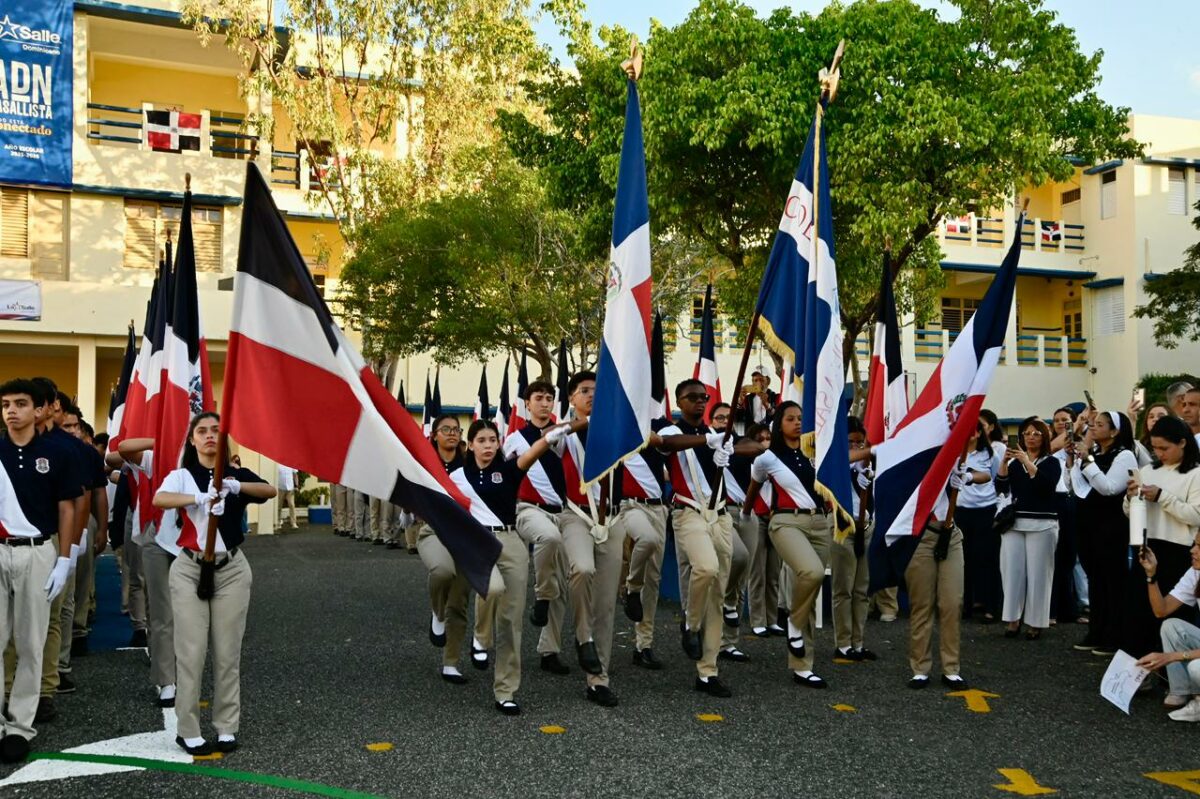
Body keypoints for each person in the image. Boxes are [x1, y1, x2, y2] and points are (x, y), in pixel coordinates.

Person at [153, 412, 275, 756]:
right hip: (190, 567)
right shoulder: (182, 476)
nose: (209, 436)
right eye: (202, 431)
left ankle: (226, 726)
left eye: (216, 431)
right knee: (191, 652)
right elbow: (159, 499)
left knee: (227, 653)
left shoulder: (234, 474)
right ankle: (187, 729)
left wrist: (236, 486)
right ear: (192, 440)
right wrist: (197, 499)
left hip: (232, 568)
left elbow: (270, 489)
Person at [453, 418, 569, 715]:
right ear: (471, 445)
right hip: (479, 542)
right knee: (491, 589)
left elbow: (536, 450)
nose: (488, 446)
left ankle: (506, 690)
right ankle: (481, 637)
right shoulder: (458, 476)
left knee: (511, 620)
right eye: (482, 441)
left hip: (511, 541)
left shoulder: (508, 470)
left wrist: (560, 432)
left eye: (493, 440)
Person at [658, 378, 757, 697]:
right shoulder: (675, 431)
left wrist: (730, 446)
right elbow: (666, 445)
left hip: (720, 515)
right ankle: (690, 622)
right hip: (689, 513)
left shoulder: (718, 435)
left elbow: (753, 446)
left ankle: (707, 671)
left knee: (717, 592)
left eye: (704, 397)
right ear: (679, 401)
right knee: (706, 568)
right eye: (693, 397)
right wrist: (708, 442)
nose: (700, 402)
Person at [0, 378, 80, 764]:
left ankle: (18, 726)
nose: (11, 410)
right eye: (5, 404)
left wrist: (64, 558)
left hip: (37, 552)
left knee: (30, 642)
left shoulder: (57, 454)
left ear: (37, 410)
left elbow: (68, 508)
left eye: (19, 403)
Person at [744, 401, 833, 689]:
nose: (797, 422)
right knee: (812, 573)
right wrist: (745, 516)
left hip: (820, 524)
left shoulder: (818, 454)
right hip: (785, 522)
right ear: (779, 423)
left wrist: (872, 452)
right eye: (790, 418)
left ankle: (803, 666)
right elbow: (754, 489)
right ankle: (793, 622)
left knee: (804, 589)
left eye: (801, 418)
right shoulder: (768, 458)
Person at [501, 380, 570, 675]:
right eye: (539, 398)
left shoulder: (566, 435)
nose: (545, 403)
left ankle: (549, 649)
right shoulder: (515, 439)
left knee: (562, 587)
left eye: (549, 398)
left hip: (565, 512)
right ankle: (541, 594)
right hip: (528, 509)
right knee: (548, 537)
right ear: (527, 404)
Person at [1121, 416, 1200, 664]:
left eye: (1165, 448)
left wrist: (1162, 496)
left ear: (1183, 443)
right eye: (1155, 448)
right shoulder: (1147, 470)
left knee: (1175, 612)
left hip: (1181, 550)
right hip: (1148, 544)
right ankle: (1140, 668)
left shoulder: (1196, 473)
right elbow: (1131, 513)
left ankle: (1176, 672)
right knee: (1140, 611)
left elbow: (1195, 515)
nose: (1159, 453)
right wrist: (1131, 497)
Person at [1071, 409, 1138, 656]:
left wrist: (1087, 461)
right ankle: (1097, 630)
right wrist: (1076, 463)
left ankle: (1115, 635)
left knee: (1113, 580)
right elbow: (1076, 486)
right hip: (1089, 523)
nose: (1093, 428)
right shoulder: (1097, 453)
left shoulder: (1125, 455)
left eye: (1099, 425)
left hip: (1111, 525)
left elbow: (1108, 488)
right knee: (1096, 579)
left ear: (1115, 431)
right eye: (1093, 424)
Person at [995, 417, 1061, 640]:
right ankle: (1012, 619)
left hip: (1042, 523)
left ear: (1045, 437)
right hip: (1015, 523)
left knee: (1039, 574)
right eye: (1027, 433)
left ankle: (1036, 622)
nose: (1030, 437)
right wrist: (1004, 462)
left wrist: (1026, 462)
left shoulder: (1051, 462)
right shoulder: (1014, 464)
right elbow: (1002, 487)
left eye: (1036, 433)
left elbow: (1044, 486)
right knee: (1012, 571)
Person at [417, 414, 471, 680]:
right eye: (446, 429)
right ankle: (437, 613)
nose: (452, 433)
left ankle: (451, 662)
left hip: (465, 535)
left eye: (456, 430)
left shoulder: (470, 465)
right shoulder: (424, 464)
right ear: (434, 435)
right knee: (441, 571)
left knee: (460, 601)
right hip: (434, 531)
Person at [617, 412, 671, 670]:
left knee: (654, 578)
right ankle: (630, 586)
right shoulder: (615, 423)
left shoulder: (660, 426)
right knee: (646, 539)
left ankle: (644, 645)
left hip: (658, 507)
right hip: (628, 506)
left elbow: (671, 442)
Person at [1135, 531, 1200, 720]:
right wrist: (1151, 575)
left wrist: (1170, 657)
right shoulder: (1195, 572)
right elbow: (1161, 610)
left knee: (1197, 667)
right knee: (1171, 626)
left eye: (1199, 546)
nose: (1192, 550)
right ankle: (1183, 692)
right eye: (1194, 544)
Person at [720, 420, 770, 662]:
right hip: (721, 513)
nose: (722, 422)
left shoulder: (739, 444)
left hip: (746, 513)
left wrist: (729, 447)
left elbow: (757, 449)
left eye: (724, 418)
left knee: (741, 580)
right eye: (718, 418)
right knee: (738, 557)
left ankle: (728, 642)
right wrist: (714, 446)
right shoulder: (706, 444)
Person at [832, 417, 876, 661]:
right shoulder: (836, 463)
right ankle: (843, 642)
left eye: (861, 443)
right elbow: (840, 462)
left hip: (867, 526)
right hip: (843, 527)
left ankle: (858, 643)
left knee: (862, 588)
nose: (857, 448)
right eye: (852, 442)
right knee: (844, 588)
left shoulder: (869, 463)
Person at [958, 421, 1002, 623]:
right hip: (960, 511)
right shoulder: (954, 453)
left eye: (973, 429)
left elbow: (993, 478)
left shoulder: (990, 454)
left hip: (985, 510)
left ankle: (990, 605)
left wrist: (971, 477)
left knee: (986, 559)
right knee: (962, 560)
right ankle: (964, 605)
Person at [1049, 407, 1083, 625]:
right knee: (1055, 558)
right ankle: (1052, 609)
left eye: (1066, 420)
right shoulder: (1051, 448)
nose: (1061, 423)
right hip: (1055, 503)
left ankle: (1071, 608)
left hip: (1075, 503)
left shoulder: (1082, 447)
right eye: (1057, 420)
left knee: (1070, 559)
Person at [1136, 403, 1171, 467]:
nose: (1155, 419)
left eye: (1161, 416)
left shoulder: (1177, 445)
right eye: (1151, 417)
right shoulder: (1139, 446)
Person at [276, 464, 299, 530]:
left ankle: (293, 523)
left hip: (290, 488)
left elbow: (295, 475)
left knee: (291, 505)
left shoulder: (291, 463)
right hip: (280, 488)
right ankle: (278, 521)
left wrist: (296, 486)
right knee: (279, 506)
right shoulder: (278, 464)